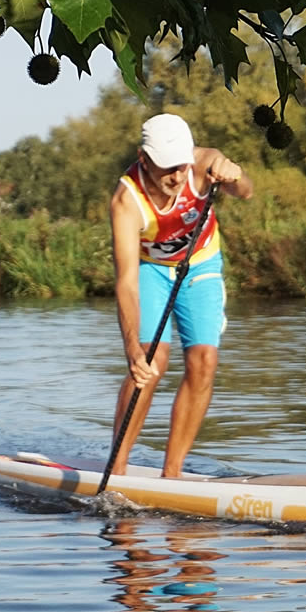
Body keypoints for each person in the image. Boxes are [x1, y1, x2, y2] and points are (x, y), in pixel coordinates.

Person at [109, 113, 253, 477]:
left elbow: (245, 190)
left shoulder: (205, 165)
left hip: (200, 264)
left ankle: (172, 474)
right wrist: (131, 350)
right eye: (166, 168)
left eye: (181, 166)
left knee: (204, 362)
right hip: (150, 270)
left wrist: (234, 175)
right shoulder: (127, 200)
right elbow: (126, 280)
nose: (177, 176)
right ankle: (118, 466)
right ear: (144, 160)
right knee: (150, 363)